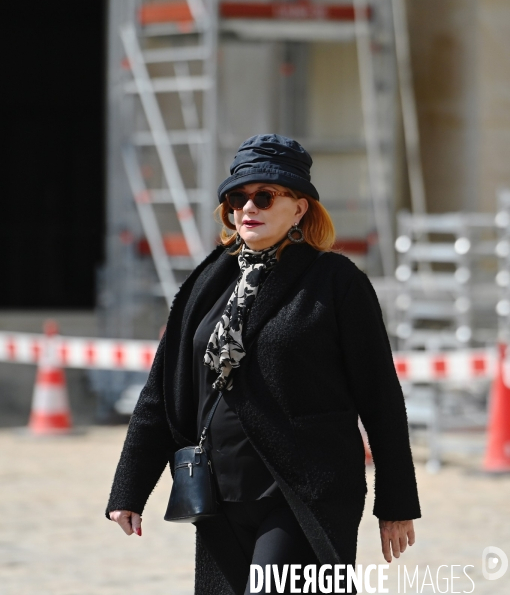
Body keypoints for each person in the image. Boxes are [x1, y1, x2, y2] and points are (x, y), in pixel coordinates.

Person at [106, 134, 421, 595]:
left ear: (299, 209)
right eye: (238, 197)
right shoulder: (206, 283)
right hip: (219, 493)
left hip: (305, 493)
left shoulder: (337, 283)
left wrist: (396, 501)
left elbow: (381, 398)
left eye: (265, 196)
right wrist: (129, 488)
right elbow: (161, 391)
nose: (248, 207)